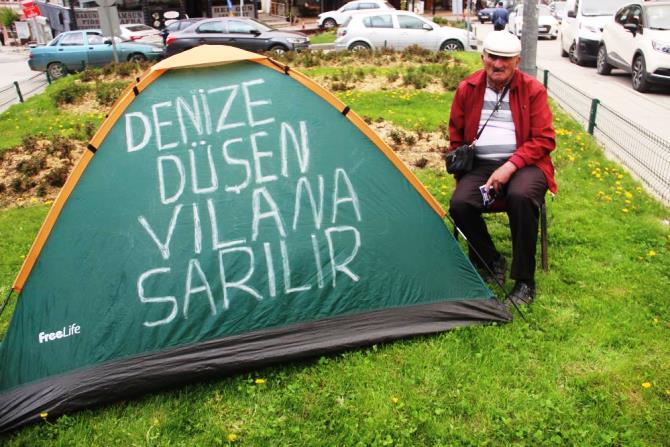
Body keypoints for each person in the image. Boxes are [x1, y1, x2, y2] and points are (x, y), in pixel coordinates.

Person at [447, 31, 556, 306]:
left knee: (520, 196)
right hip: (482, 166)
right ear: (483, 57)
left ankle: (524, 281)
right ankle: (491, 258)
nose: (498, 64)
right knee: (460, 203)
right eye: (493, 57)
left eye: (505, 59)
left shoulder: (533, 90)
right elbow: (456, 136)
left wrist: (510, 166)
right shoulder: (467, 89)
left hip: (526, 164)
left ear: (517, 61)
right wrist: (463, 171)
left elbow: (544, 139)